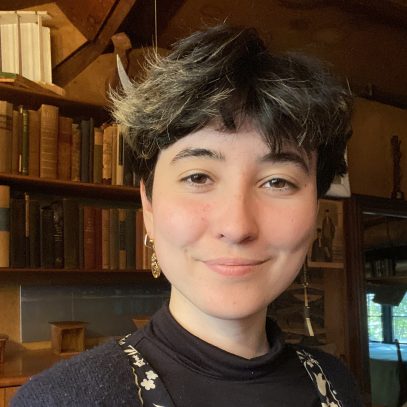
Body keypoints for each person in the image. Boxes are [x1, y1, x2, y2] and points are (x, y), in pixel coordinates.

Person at [11, 24, 361, 407]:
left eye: (278, 182)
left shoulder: (336, 382)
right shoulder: (65, 399)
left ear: (314, 210)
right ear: (148, 205)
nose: (237, 226)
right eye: (198, 176)